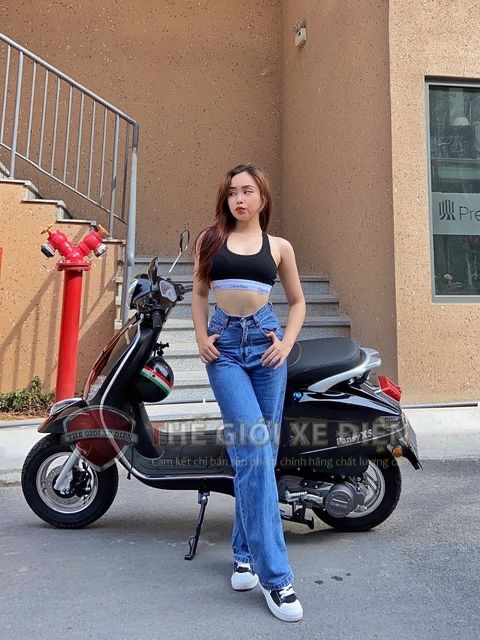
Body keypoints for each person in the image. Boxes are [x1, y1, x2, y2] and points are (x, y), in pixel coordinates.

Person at [191, 163, 306, 623]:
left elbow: (297, 302)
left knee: (258, 456)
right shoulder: (210, 240)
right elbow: (200, 295)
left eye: (248, 191)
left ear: (262, 198)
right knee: (255, 451)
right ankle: (277, 578)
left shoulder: (279, 247)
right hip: (225, 351)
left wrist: (287, 343)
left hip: (266, 346)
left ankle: (243, 554)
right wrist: (200, 336)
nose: (240, 199)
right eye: (233, 192)